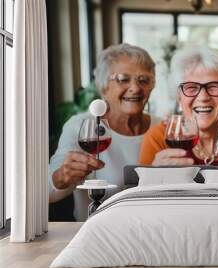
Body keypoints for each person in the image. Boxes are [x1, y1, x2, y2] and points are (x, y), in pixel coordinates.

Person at [49, 43, 161, 221]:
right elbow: (48, 191)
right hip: (95, 234)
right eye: (123, 79)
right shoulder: (81, 126)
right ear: (103, 88)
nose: (135, 88)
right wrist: (63, 176)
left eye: (143, 80)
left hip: (151, 230)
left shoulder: (162, 128)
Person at [139, 46, 218, 166]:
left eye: (213, 87)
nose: (203, 97)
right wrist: (153, 175)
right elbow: (143, 184)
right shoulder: (157, 139)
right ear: (179, 97)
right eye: (191, 87)